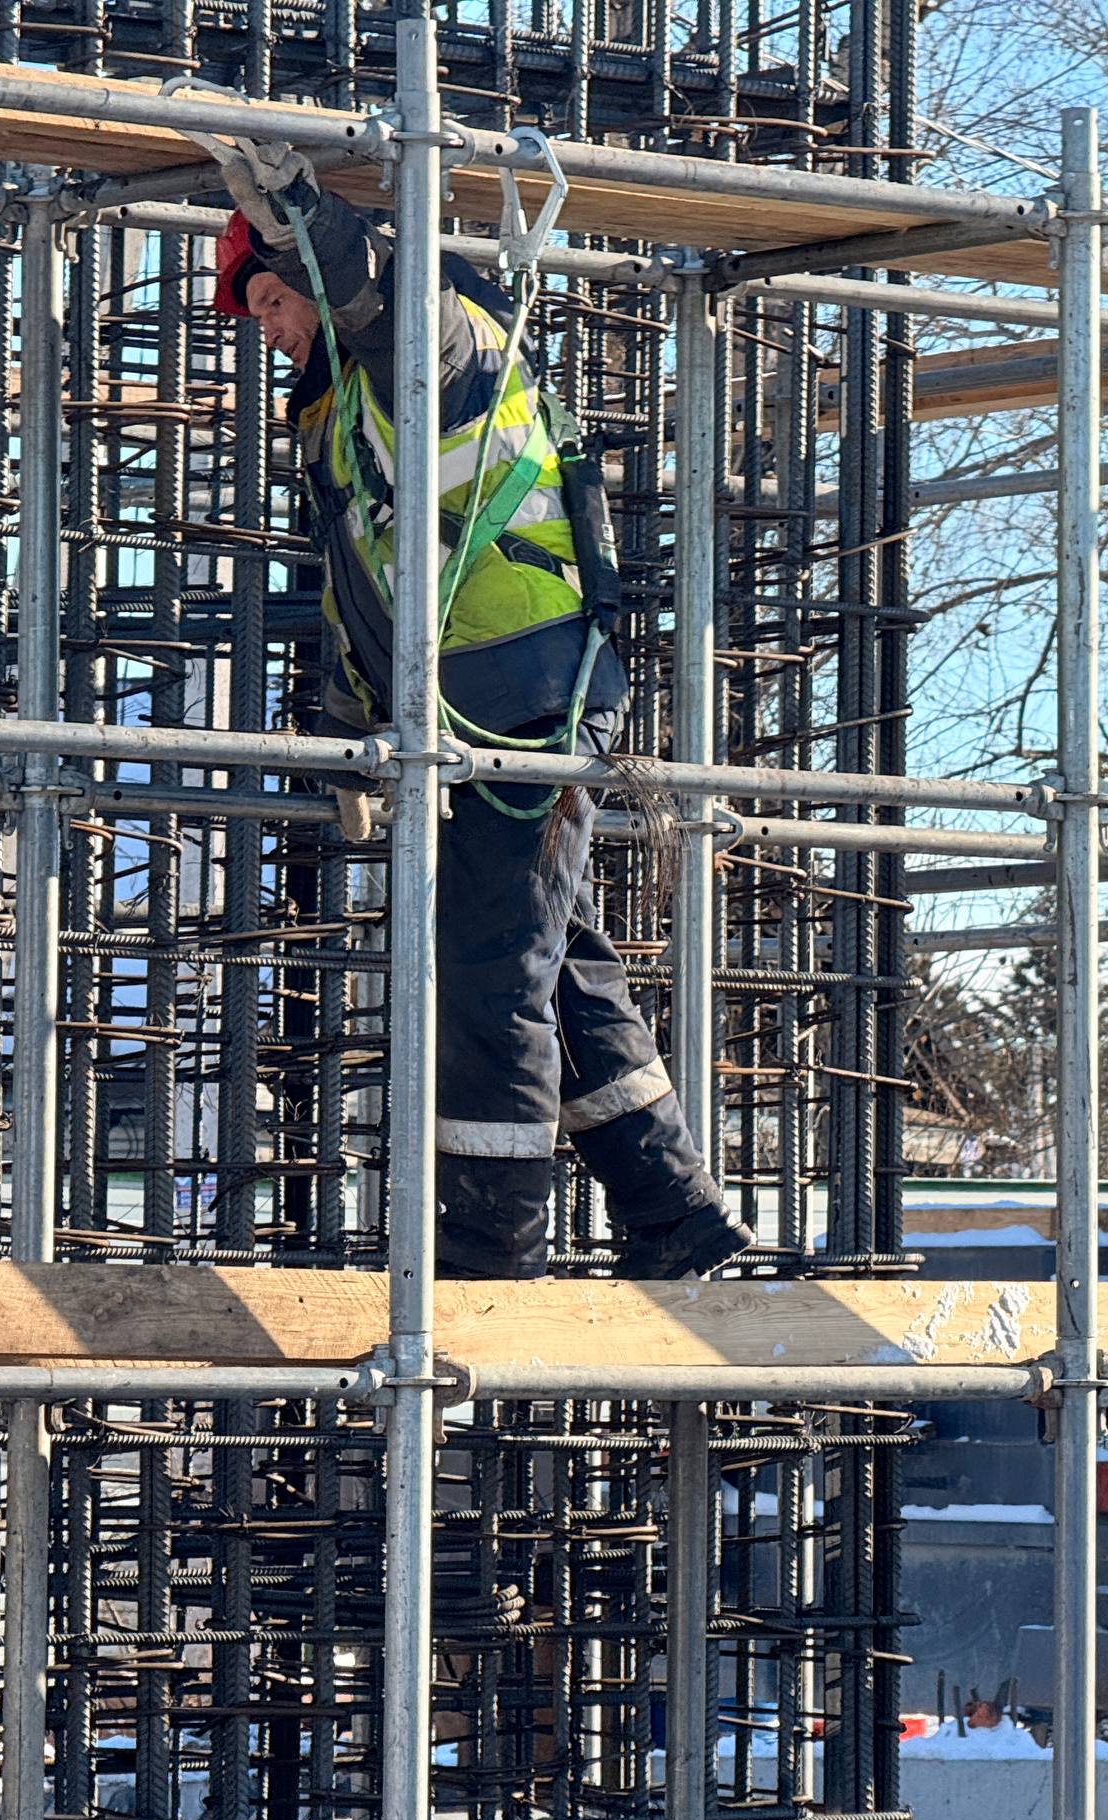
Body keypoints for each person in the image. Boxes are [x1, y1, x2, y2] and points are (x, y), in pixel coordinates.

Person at [203, 137, 753, 1283]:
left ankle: (491, 1253)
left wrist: (306, 211)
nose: (264, 328)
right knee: (557, 963)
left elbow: (376, 292)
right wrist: (348, 736)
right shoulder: (350, 410)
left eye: (267, 298)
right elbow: (369, 590)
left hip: (527, 696)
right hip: (487, 699)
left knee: (488, 971)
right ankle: (672, 1209)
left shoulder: (437, 337)